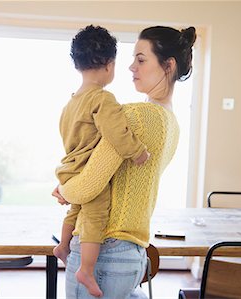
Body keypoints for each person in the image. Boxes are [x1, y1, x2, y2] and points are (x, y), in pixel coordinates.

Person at [53, 25, 197, 298]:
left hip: (104, 250)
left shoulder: (136, 116)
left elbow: (86, 188)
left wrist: (63, 189)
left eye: (141, 60)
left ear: (168, 66)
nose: (131, 67)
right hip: (133, 252)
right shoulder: (173, 124)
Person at [53, 25, 151, 298]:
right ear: (110, 65)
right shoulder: (103, 99)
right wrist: (138, 152)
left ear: (77, 64)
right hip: (87, 172)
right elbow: (117, 133)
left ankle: (62, 245)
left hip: (70, 170)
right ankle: (86, 268)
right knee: (95, 214)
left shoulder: (70, 104)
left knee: (75, 211)